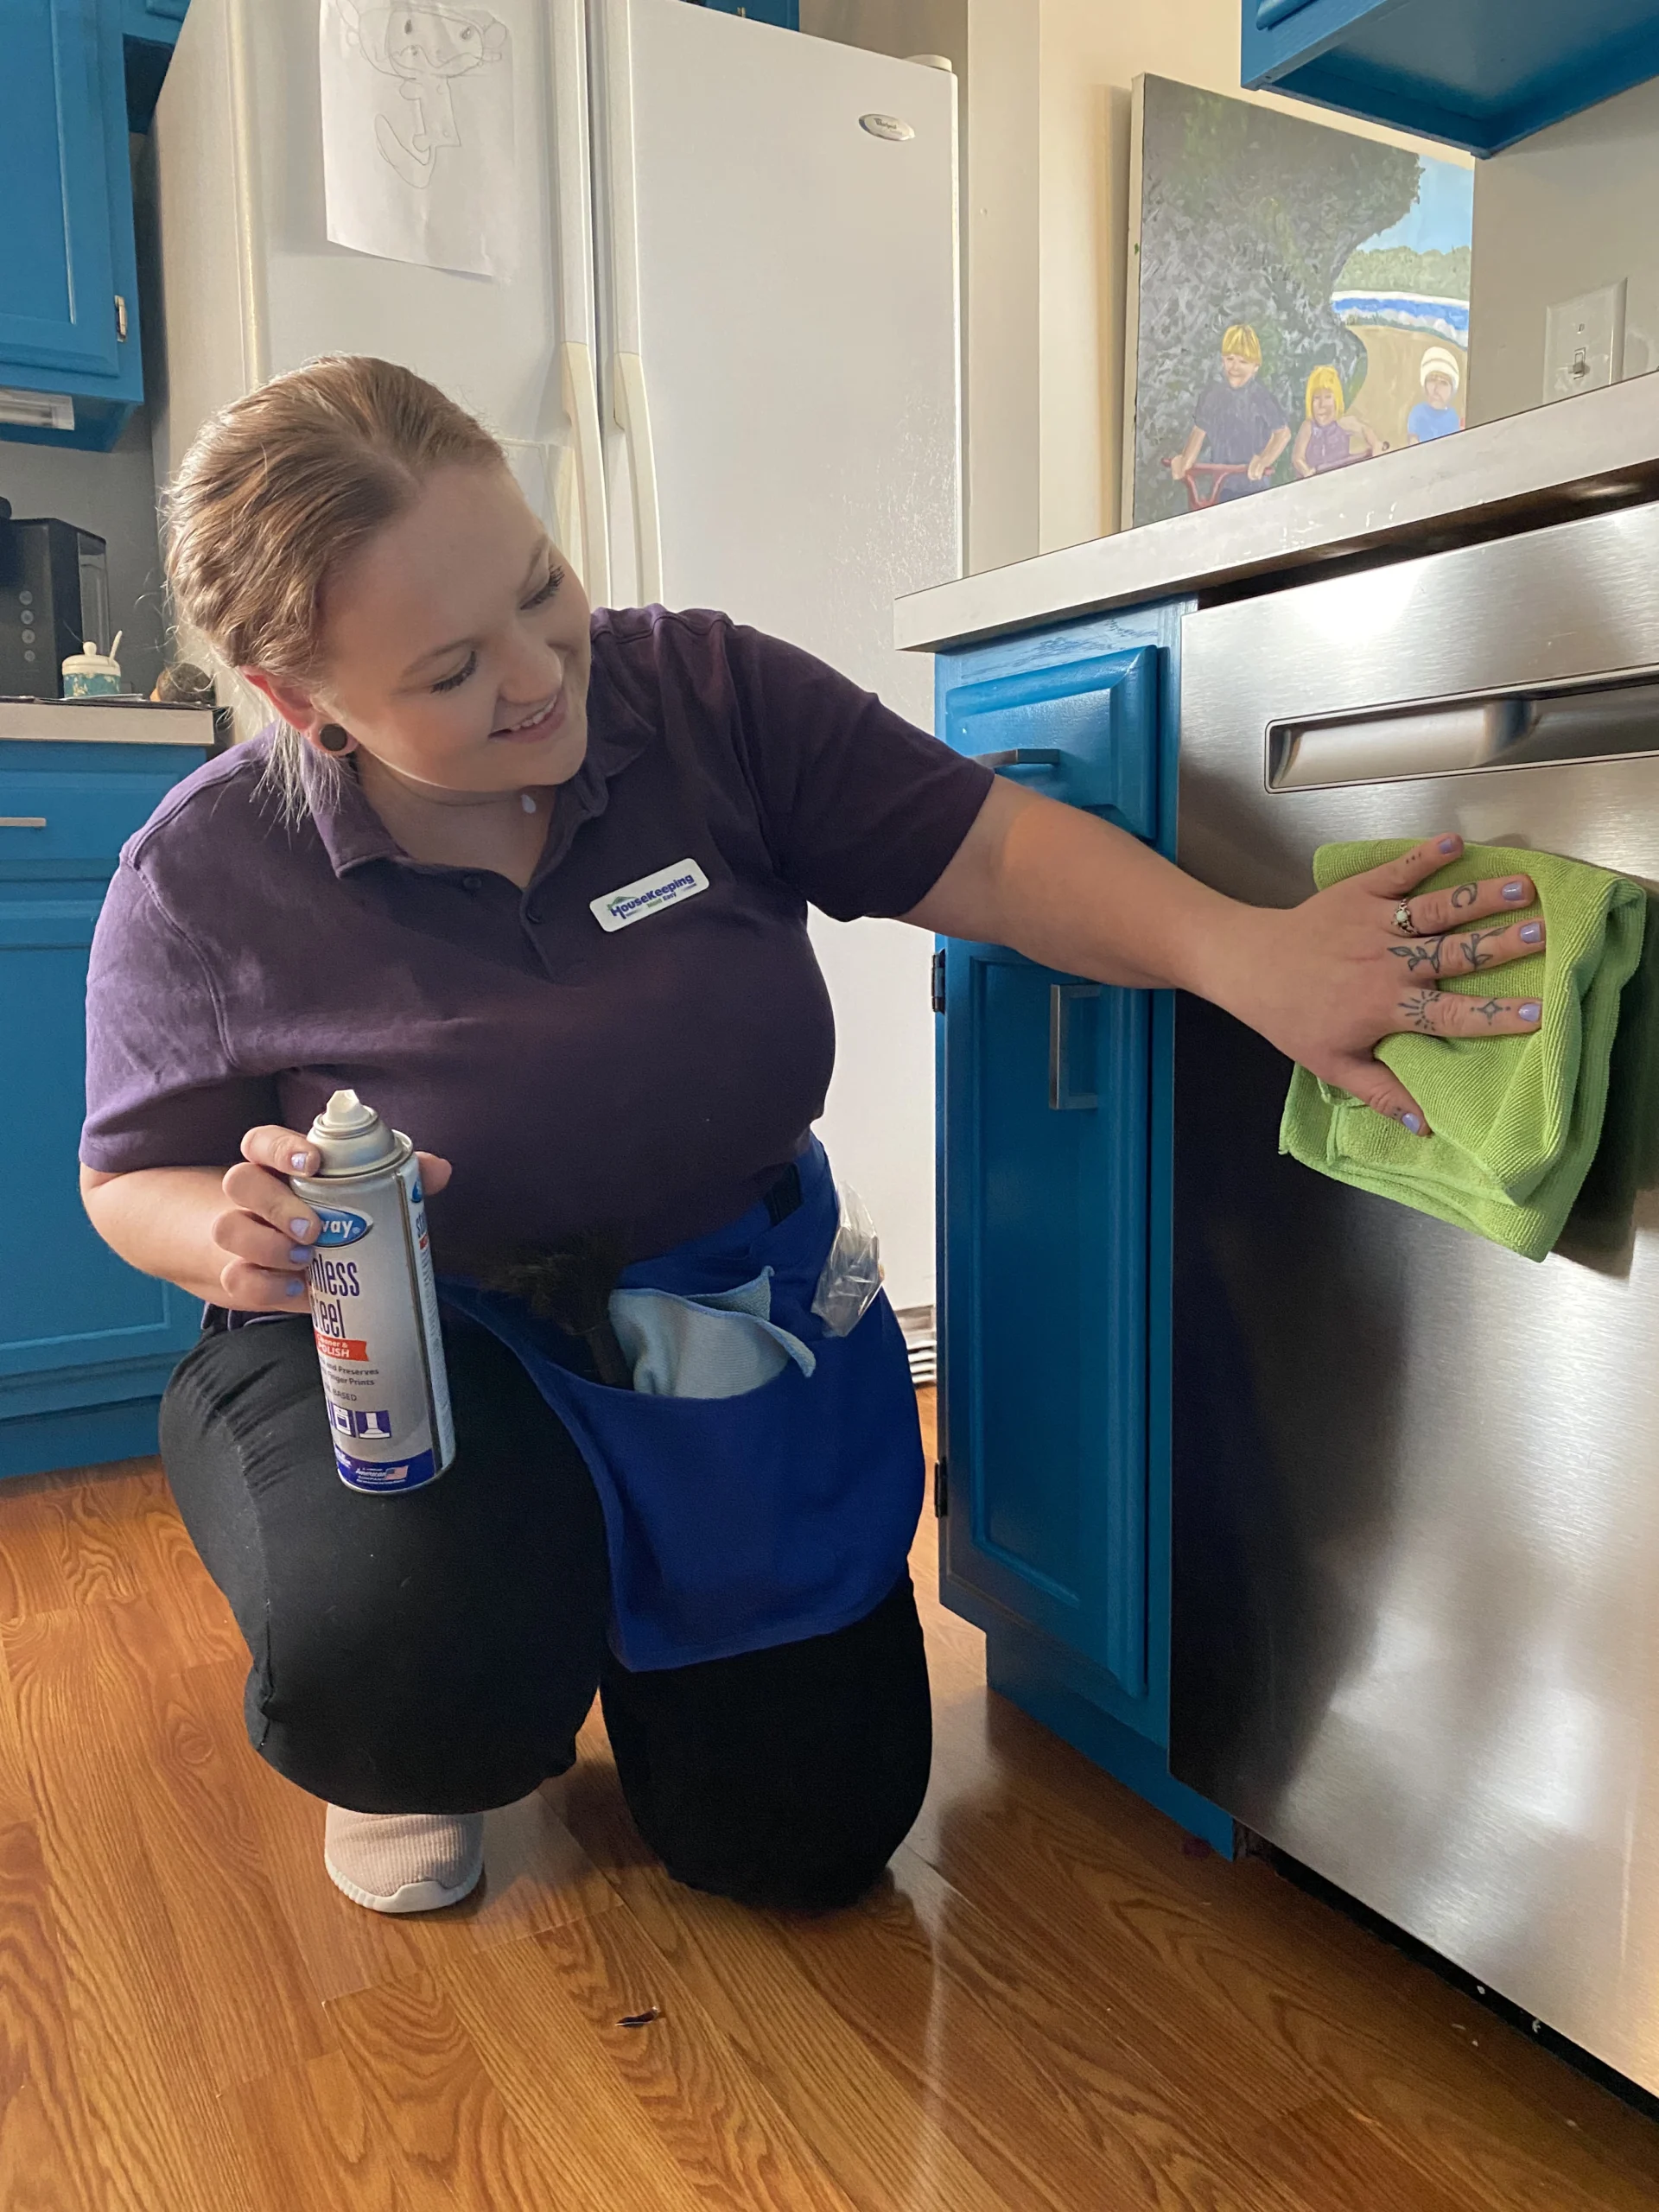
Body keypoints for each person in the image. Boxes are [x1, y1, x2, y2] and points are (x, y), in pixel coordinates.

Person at [79, 358, 1545, 1921]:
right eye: (449, 671)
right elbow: (125, 1179)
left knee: (802, 1837)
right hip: (405, 1340)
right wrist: (230, 1233)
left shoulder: (706, 695)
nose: (537, 676)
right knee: (410, 1652)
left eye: (541, 588)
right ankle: (434, 1735)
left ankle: (639, 1649)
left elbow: (984, 852)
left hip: (715, 1306)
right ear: (309, 707)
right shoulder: (207, 874)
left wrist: (1235, 949)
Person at [1169, 324, 1292, 502]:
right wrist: (1184, 462)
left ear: (1256, 366)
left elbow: (1283, 434)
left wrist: (1263, 461)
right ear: (1222, 360)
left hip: (1255, 486)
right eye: (1230, 359)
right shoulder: (1212, 397)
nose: (1235, 367)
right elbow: (1198, 433)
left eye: (1243, 362)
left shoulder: (1261, 397)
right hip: (1222, 487)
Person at [1291, 365, 1387, 477]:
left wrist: (1375, 445)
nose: (1322, 404)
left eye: (1328, 397)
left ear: (1337, 400)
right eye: (1317, 398)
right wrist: (1307, 471)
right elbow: (1297, 458)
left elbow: (1365, 430)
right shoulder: (1308, 427)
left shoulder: (1343, 423)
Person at [1408, 346, 1465, 443]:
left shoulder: (1453, 417)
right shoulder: (1418, 413)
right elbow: (1413, 443)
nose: (1437, 388)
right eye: (1432, 380)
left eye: (1443, 383)